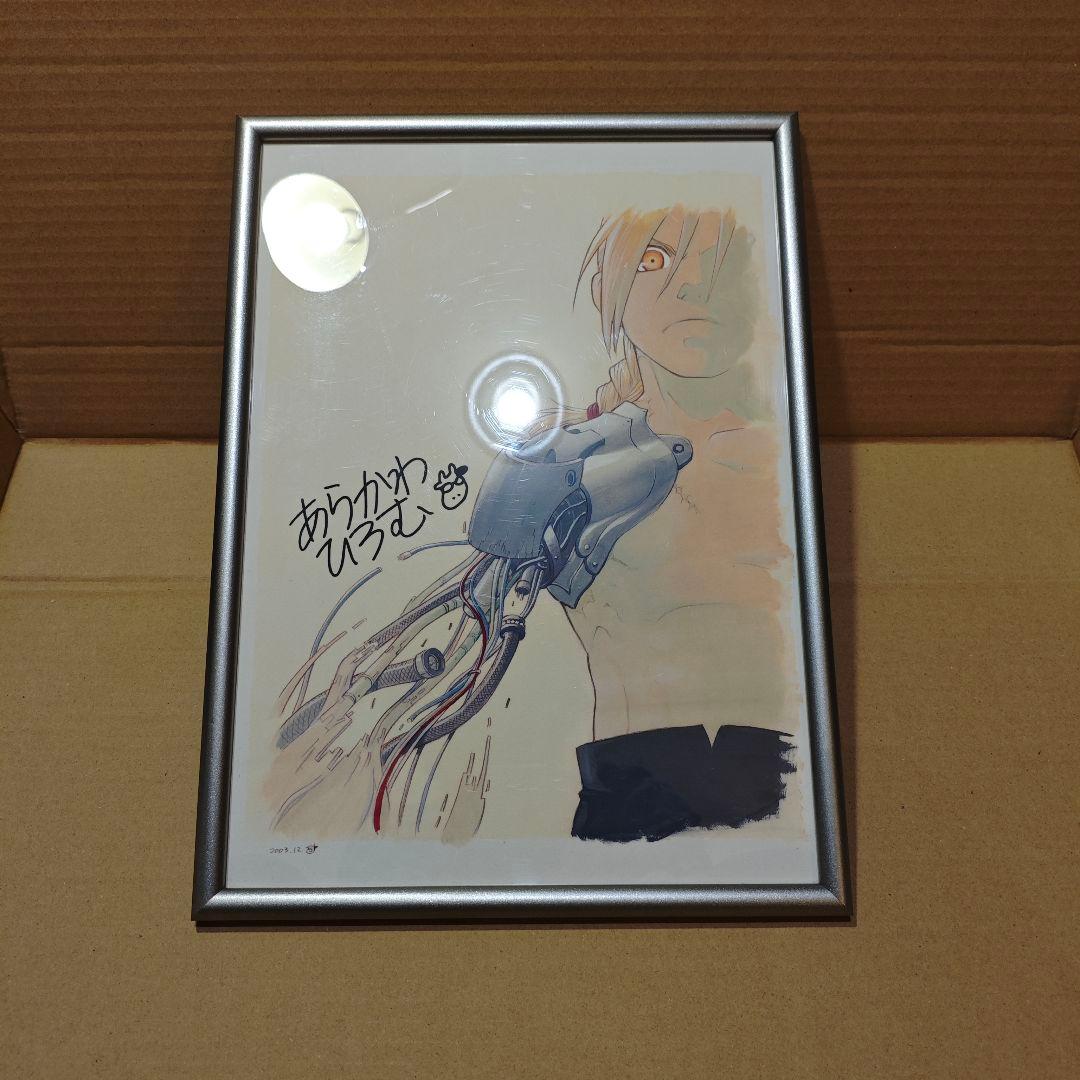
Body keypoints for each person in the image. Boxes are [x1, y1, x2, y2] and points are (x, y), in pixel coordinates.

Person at [560, 205, 799, 842]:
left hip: (785, 802)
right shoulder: (567, 458)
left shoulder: (790, 461)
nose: (692, 285)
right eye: (654, 260)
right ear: (607, 290)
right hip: (629, 801)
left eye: (724, 260)